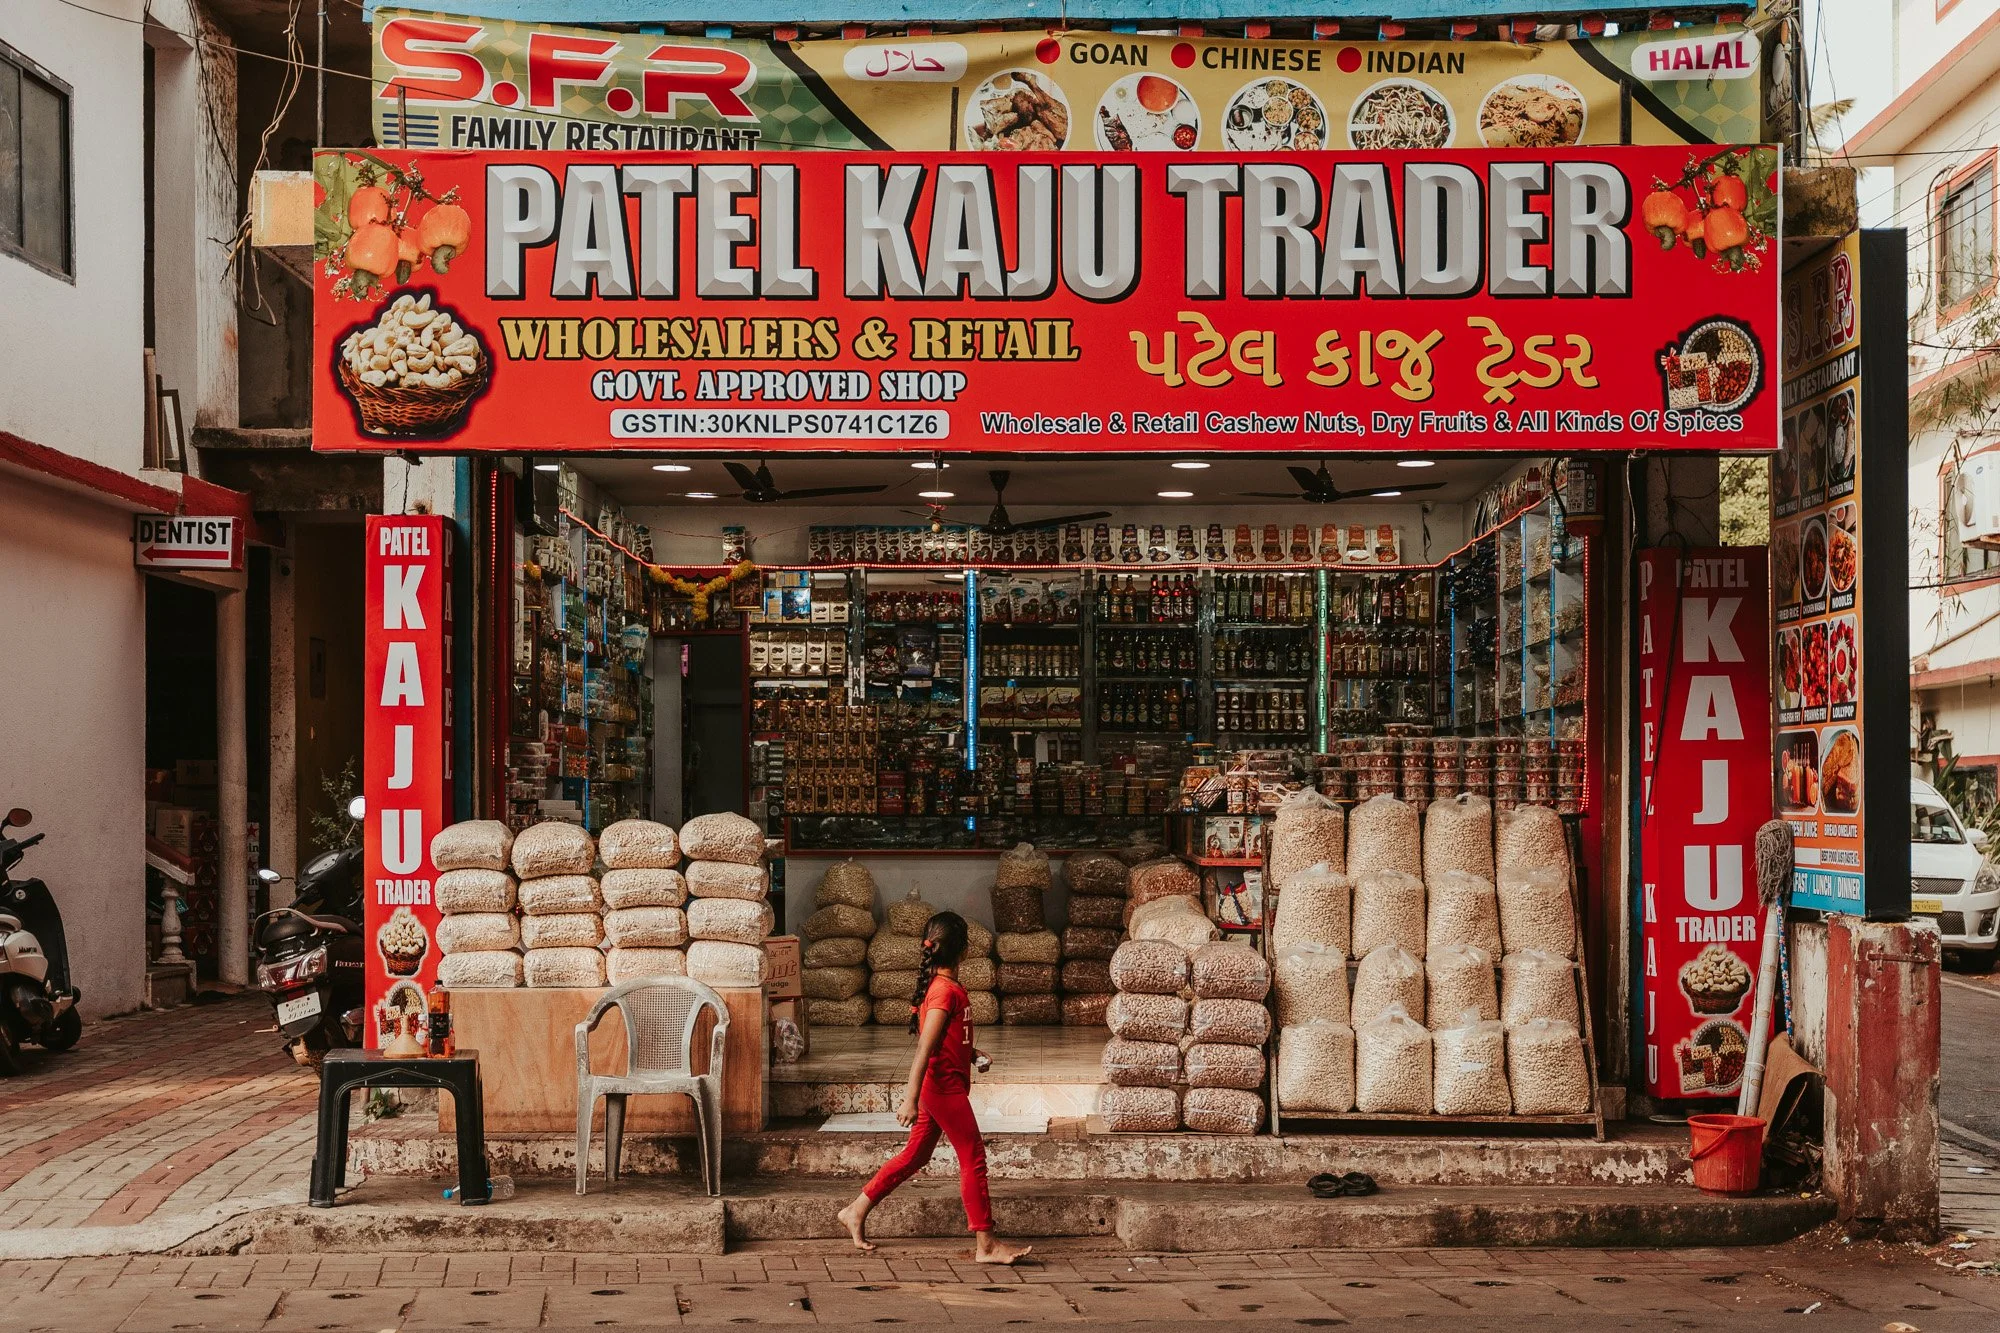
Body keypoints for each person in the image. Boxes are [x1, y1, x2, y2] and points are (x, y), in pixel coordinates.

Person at [837, 911, 1031, 1264]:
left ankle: (856, 1209)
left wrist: (971, 1053)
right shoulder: (944, 992)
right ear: (965, 951)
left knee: (915, 1156)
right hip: (942, 1090)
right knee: (973, 1157)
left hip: (943, 1086)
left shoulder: (946, 989)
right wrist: (910, 1099)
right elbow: (924, 1050)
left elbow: (945, 1040)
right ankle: (986, 1245)